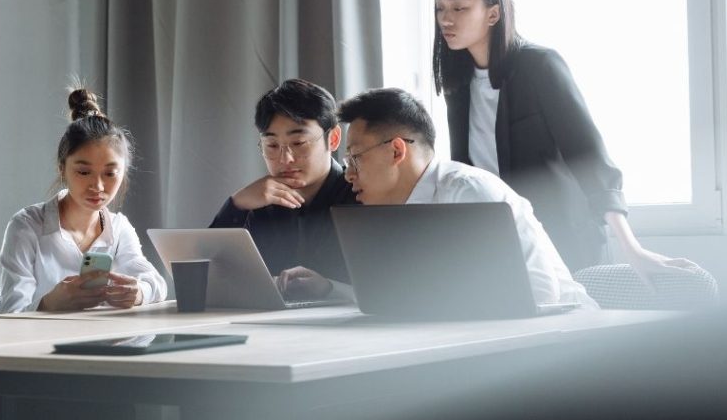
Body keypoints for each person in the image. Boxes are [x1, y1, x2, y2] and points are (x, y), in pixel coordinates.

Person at [433, 0, 700, 284]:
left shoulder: (539, 66)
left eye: (459, 8)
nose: (446, 18)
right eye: (440, 8)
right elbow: (469, 174)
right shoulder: (457, 85)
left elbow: (589, 157)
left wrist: (632, 249)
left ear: (493, 13)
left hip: (566, 243)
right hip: (499, 247)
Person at [332, 87, 596, 308]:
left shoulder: (467, 191)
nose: (349, 175)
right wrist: (332, 288)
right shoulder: (392, 210)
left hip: (570, 337)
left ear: (396, 151)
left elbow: (540, 295)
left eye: (355, 158)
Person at [0, 87, 167, 313]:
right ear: (62, 169)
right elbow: (8, 313)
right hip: (40, 346)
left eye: (109, 173)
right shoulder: (27, 227)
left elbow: (156, 284)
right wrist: (48, 304)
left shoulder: (118, 227)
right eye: (84, 172)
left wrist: (139, 293)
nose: (97, 186)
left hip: (106, 343)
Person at [210, 78, 357, 302]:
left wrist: (329, 289)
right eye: (272, 146)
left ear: (334, 138)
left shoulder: (360, 195)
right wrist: (236, 204)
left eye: (299, 143)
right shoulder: (256, 203)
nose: (285, 159)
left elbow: (390, 291)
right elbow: (209, 278)